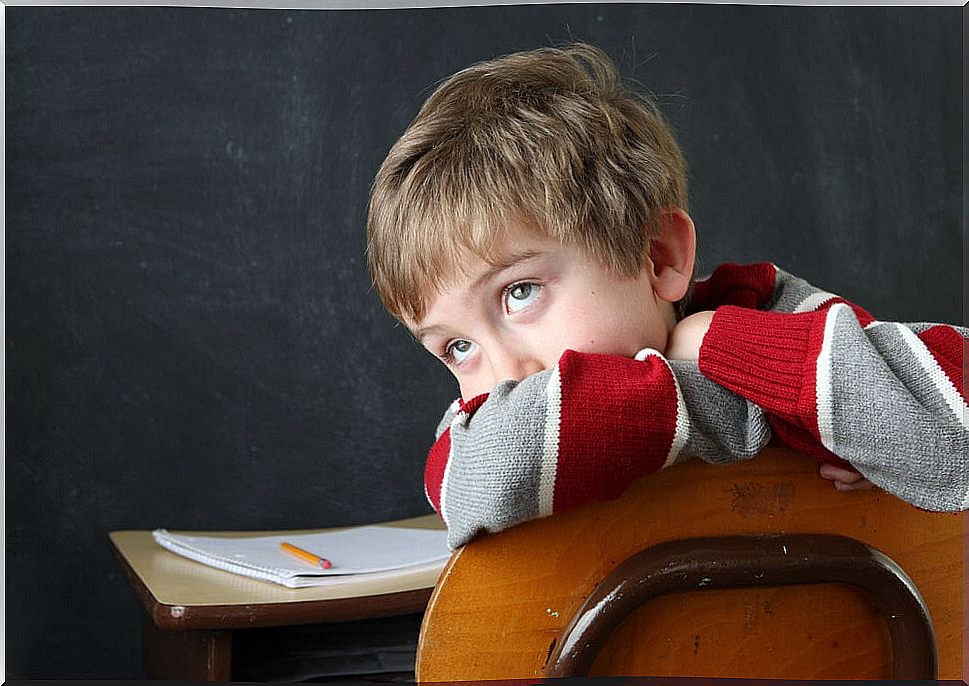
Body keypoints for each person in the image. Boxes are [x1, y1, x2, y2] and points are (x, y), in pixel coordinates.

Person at [366, 43, 968, 549]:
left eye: (520, 293)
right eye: (458, 347)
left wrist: (723, 345)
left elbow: (957, 433)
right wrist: (769, 410)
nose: (504, 377)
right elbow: (474, 481)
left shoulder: (770, 317)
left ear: (659, 256)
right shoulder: (478, 430)